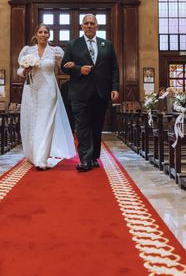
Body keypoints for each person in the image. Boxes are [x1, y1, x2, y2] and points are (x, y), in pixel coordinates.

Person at [61, 14, 120, 172]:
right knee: (82, 126)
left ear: (97, 26)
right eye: (86, 23)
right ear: (82, 26)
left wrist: (115, 88)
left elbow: (114, 68)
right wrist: (79, 69)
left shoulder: (106, 45)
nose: (89, 26)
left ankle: (94, 157)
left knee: (96, 126)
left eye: (92, 23)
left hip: (101, 93)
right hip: (79, 93)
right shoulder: (73, 45)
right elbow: (63, 67)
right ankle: (84, 160)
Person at [17, 23, 75, 170]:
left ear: (49, 35)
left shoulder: (56, 52)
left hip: (49, 91)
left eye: (46, 32)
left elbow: (65, 66)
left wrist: (74, 66)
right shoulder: (27, 51)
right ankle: (32, 154)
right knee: (31, 122)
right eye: (40, 32)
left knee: (46, 123)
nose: (43, 35)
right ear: (36, 35)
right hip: (31, 90)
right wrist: (25, 70)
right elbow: (19, 70)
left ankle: (41, 158)